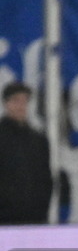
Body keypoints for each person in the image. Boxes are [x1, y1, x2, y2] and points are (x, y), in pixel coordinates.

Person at [0, 82, 53, 225]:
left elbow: (45, 179)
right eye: (16, 100)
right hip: (5, 220)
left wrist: (42, 210)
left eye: (25, 101)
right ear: (6, 103)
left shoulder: (38, 140)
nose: (21, 106)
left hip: (34, 219)